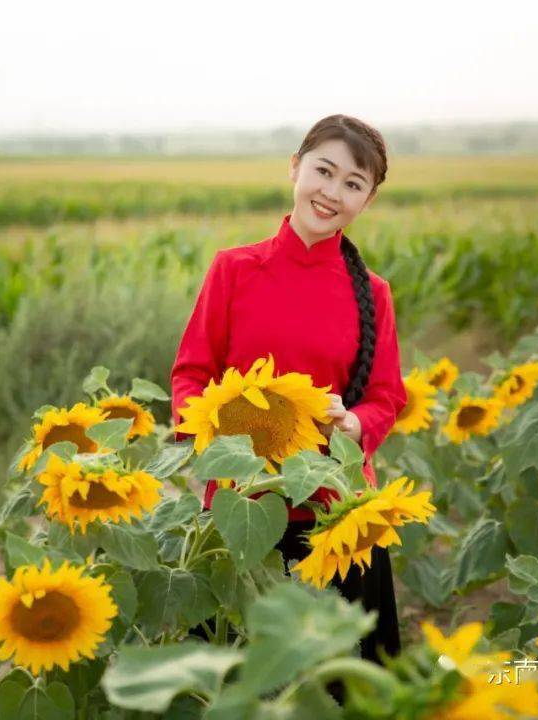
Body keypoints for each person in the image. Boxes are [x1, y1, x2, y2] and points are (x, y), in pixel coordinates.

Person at [170, 114, 408, 665]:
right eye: (323, 171)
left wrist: (351, 424)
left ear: (367, 201)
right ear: (295, 168)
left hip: (334, 518)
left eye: (353, 184)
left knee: (339, 687)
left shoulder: (373, 292)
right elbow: (190, 375)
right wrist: (221, 434)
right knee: (237, 679)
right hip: (241, 507)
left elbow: (386, 397)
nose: (331, 193)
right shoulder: (233, 270)